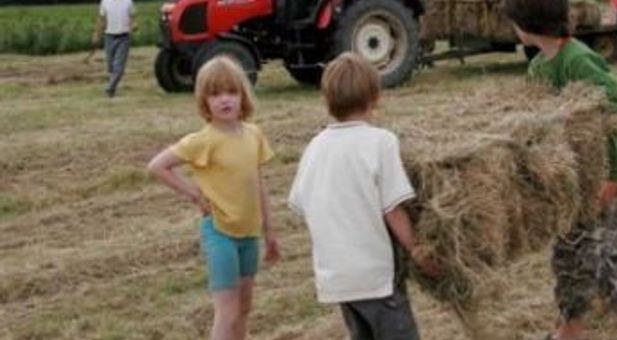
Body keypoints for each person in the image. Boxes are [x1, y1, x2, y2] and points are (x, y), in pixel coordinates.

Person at [505, 0, 617, 339]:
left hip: (603, 180)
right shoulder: (539, 68)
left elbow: (616, 120)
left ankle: (574, 331)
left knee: (578, 254)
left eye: (514, 22)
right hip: (571, 185)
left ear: (527, 25)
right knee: (605, 251)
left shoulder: (580, 61)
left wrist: (615, 177)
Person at [287, 52, 440, 340]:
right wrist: (419, 253)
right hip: (376, 275)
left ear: (327, 99)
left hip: (337, 277)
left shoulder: (315, 146)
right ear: (374, 97)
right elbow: (393, 209)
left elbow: (302, 204)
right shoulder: (380, 142)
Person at [147, 57, 281, 340]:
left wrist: (270, 231)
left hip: (249, 235)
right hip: (220, 233)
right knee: (227, 309)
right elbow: (157, 166)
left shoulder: (254, 135)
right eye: (215, 93)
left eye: (231, 92)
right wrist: (194, 193)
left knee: (244, 307)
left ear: (243, 94)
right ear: (203, 101)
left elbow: (258, 183)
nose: (224, 100)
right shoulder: (202, 140)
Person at [94, 0, 136, 97]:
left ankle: (110, 88)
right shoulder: (105, 2)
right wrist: (97, 34)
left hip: (124, 37)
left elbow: (132, 18)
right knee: (110, 66)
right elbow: (102, 19)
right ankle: (112, 86)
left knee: (119, 66)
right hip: (109, 37)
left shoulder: (128, 2)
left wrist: (133, 25)